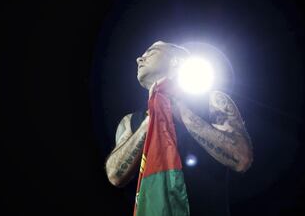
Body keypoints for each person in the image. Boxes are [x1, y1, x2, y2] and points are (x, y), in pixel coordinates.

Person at [105, 41, 253, 215]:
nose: (139, 58)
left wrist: (182, 112)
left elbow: (241, 159)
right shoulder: (130, 121)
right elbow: (114, 175)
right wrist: (153, 117)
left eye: (151, 51)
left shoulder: (213, 101)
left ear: (176, 61)